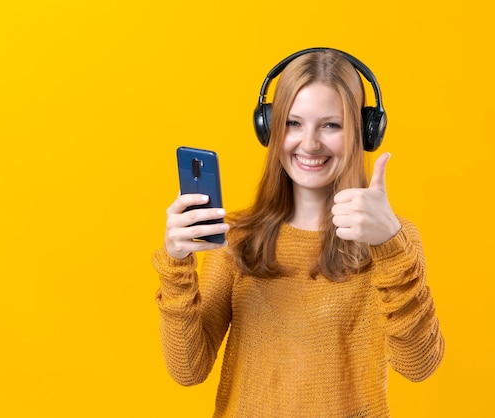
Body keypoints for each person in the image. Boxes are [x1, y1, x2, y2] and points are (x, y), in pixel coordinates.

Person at [152, 48, 445, 417]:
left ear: (363, 131)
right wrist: (177, 266)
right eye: (293, 123)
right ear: (270, 128)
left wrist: (388, 246)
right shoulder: (237, 241)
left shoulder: (391, 241)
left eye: (330, 125)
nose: (309, 143)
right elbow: (188, 370)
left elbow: (420, 365)